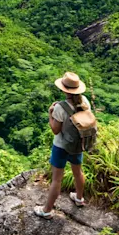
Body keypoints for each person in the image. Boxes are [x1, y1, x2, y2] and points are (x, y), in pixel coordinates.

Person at [34, 71, 90, 219]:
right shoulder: (84, 101)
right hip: (78, 144)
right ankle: (79, 198)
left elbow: (55, 130)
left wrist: (50, 113)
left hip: (61, 146)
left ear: (64, 89)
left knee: (57, 179)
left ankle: (46, 210)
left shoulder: (60, 108)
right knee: (78, 172)